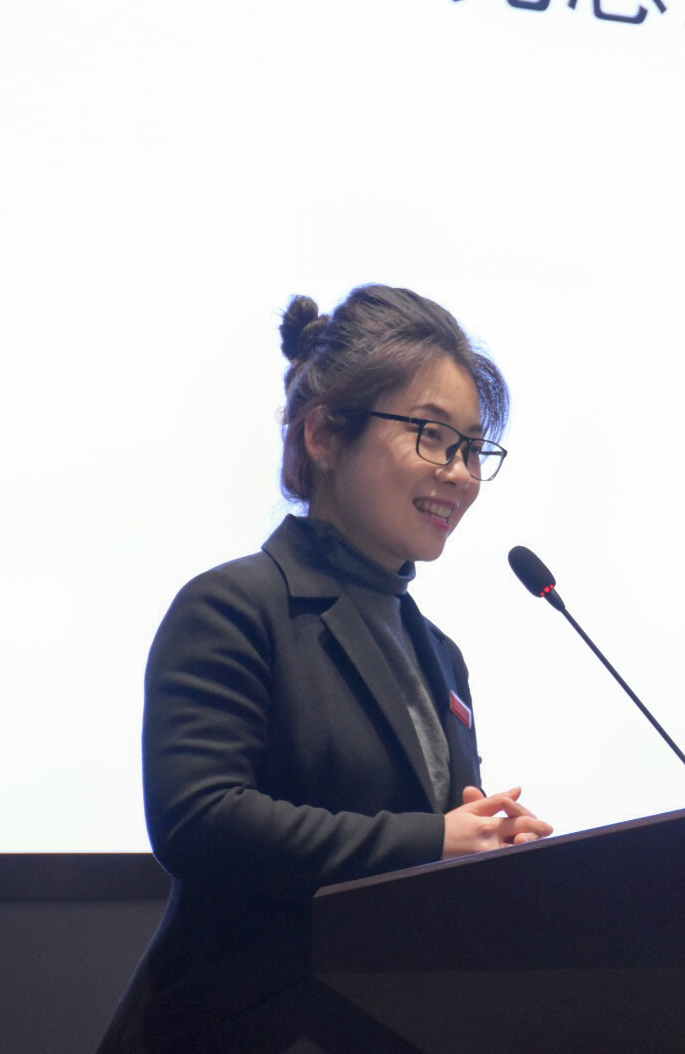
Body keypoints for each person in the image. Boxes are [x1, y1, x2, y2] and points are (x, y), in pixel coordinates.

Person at [98, 285, 552, 1053]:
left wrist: (496, 852)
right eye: (433, 436)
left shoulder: (441, 654)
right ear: (323, 435)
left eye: (474, 448)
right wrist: (432, 840)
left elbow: (434, 850)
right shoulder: (234, 607)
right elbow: (199, 821)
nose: (459, 473)